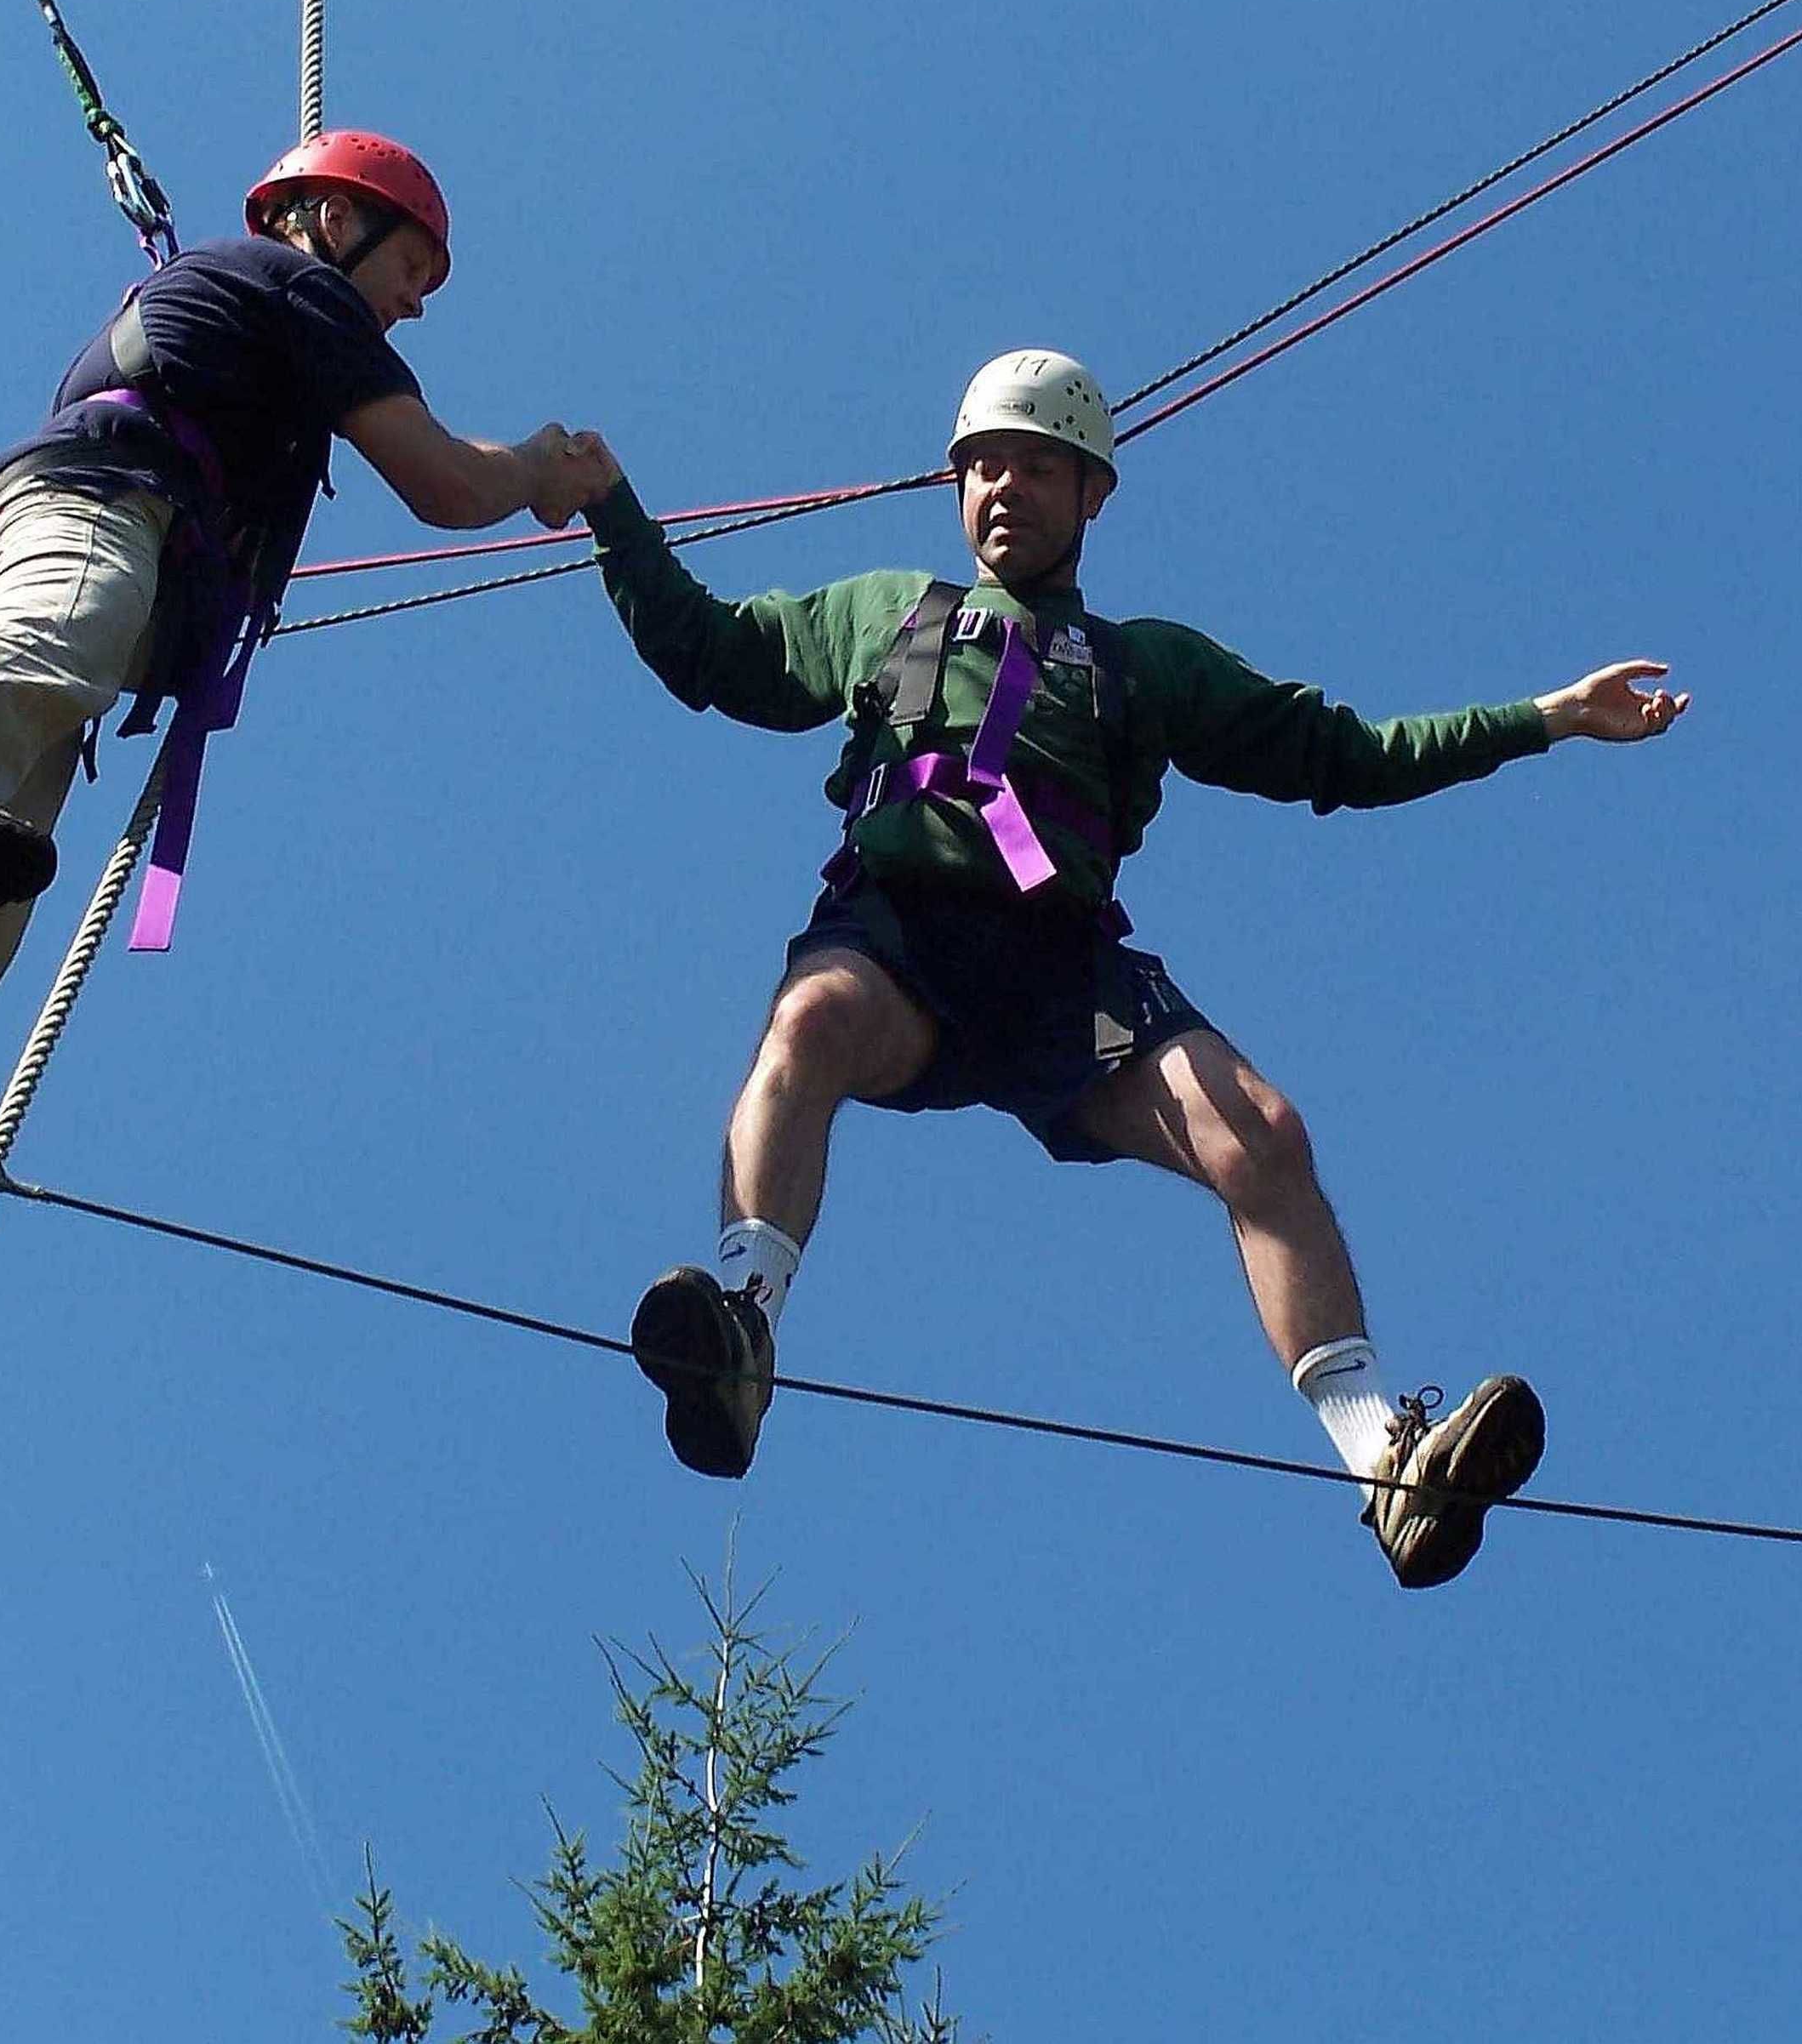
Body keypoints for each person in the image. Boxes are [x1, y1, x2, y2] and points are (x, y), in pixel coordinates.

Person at [581, 349, 1687, 1588]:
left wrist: (1544, 717)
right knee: (809, 1029)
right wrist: (611, 509)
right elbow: (710, 652)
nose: (1003, 488)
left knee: (1261, 1136)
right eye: (982, 465)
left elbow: (1347, 756)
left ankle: (1388, 1463)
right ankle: (743, 1331)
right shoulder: (887, 611)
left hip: (1063, 972)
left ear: (1092, 492)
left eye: (1037, 466)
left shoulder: (1142, 664)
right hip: (900, 937)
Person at [0, 129, 618, 1403]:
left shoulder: (263, 322)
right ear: (332, 223)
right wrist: (541, 470)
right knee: (47, 647)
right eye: (414, 266)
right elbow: (444, 484)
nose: (416, 302)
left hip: (47, 543)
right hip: (94, 511)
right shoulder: (293, 289)